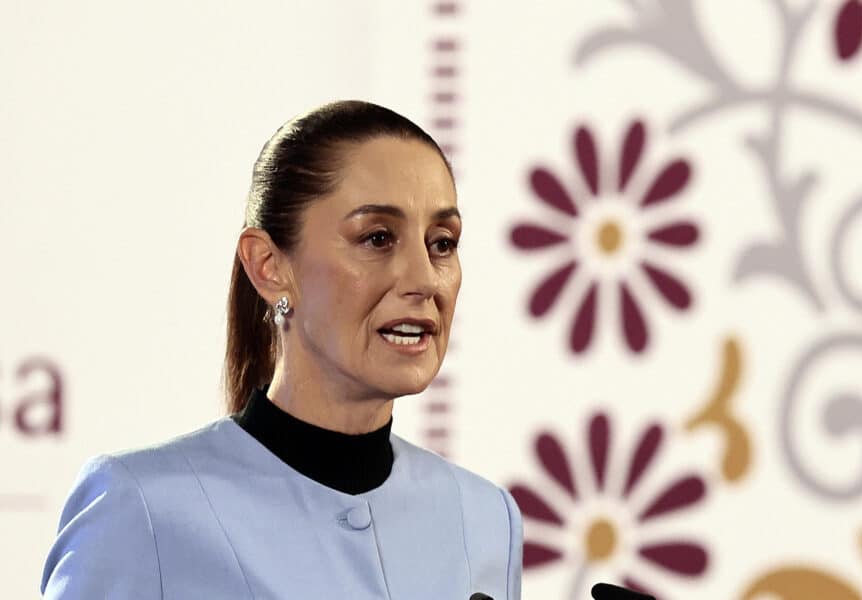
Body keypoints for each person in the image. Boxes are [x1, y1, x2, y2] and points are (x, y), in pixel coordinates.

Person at [39, 100, 523, 599]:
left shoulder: (485, 519)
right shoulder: (140, 508)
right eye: (377, 238)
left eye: (442, 243)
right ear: (268, 265)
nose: (424, 279)